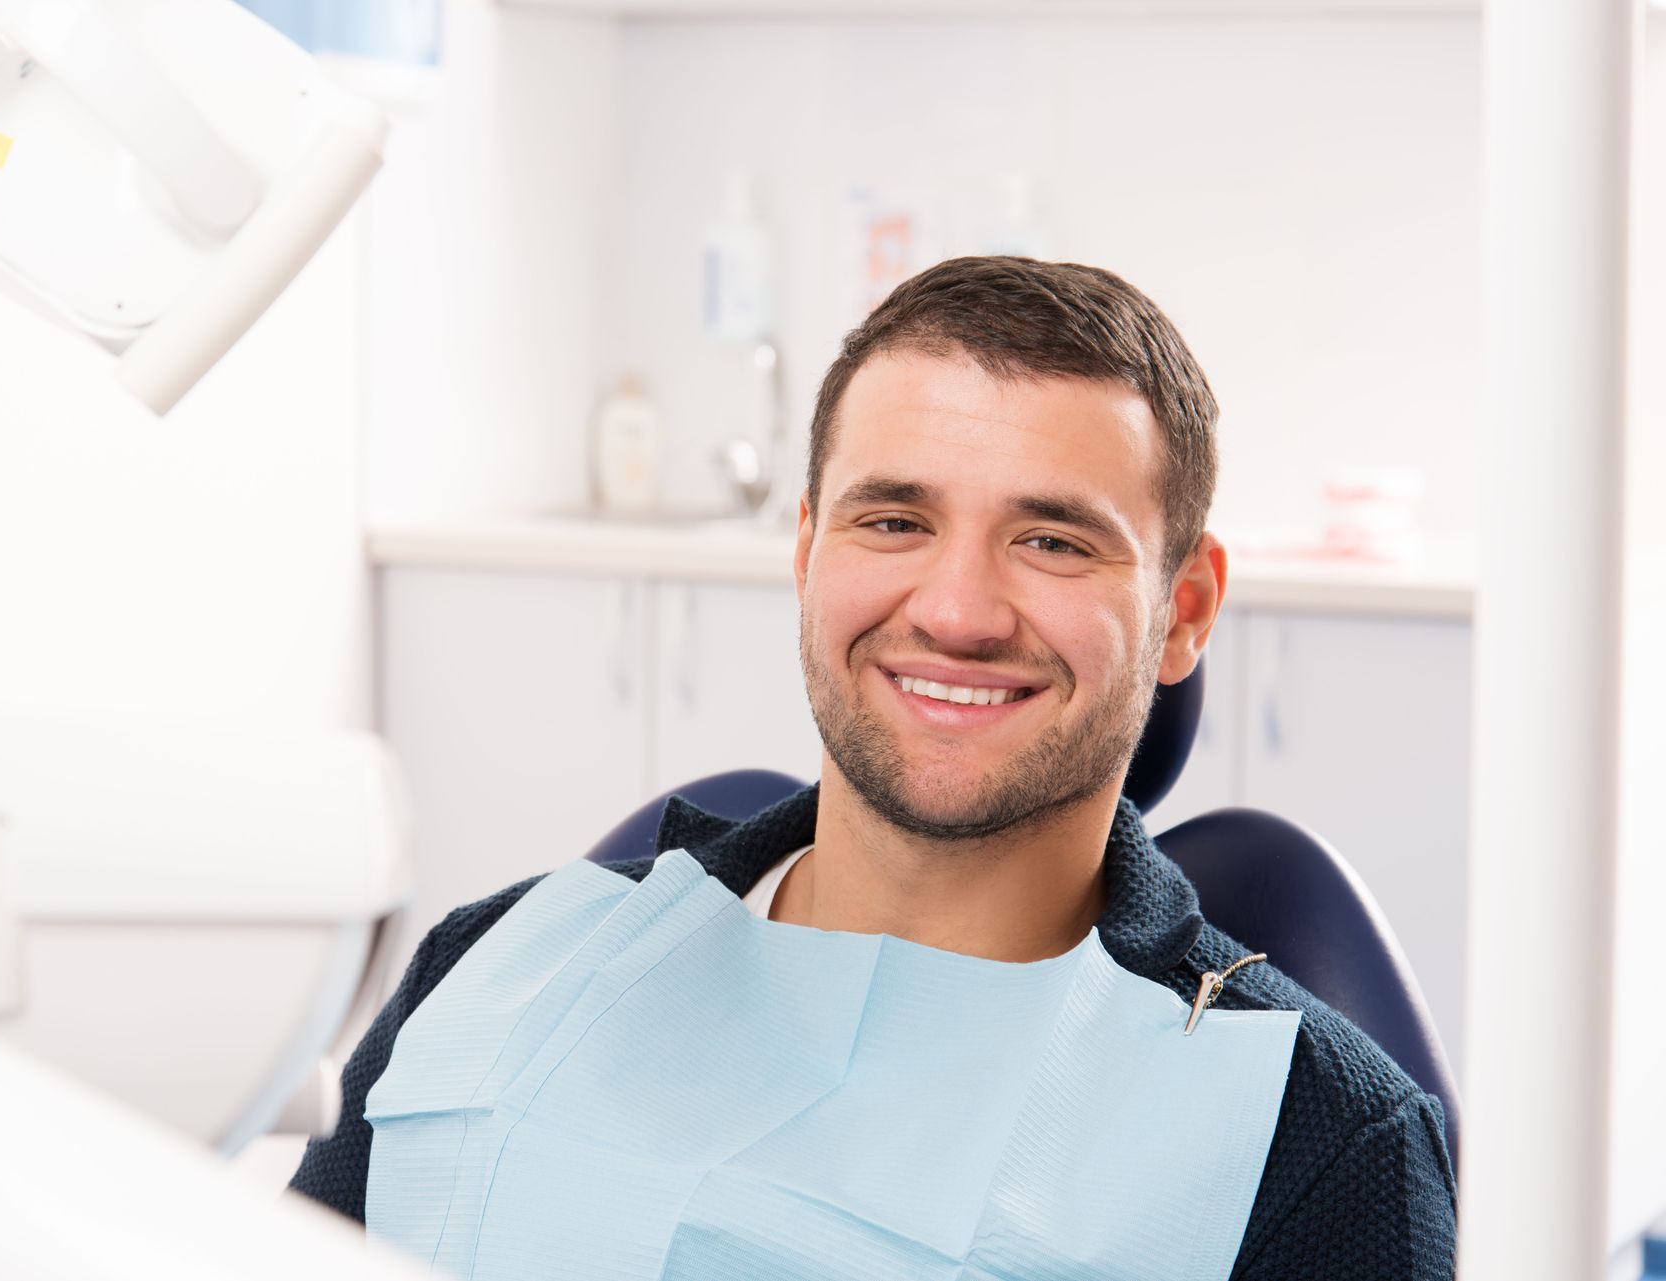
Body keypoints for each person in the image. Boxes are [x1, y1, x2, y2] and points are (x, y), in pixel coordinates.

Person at [290, 257, 1458, 1279]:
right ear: (806, 552)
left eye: (1051, 540)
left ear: (1184, 608)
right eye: (893, 521)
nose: (954, 612)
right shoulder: (496, 963)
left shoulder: (1320, 1146)